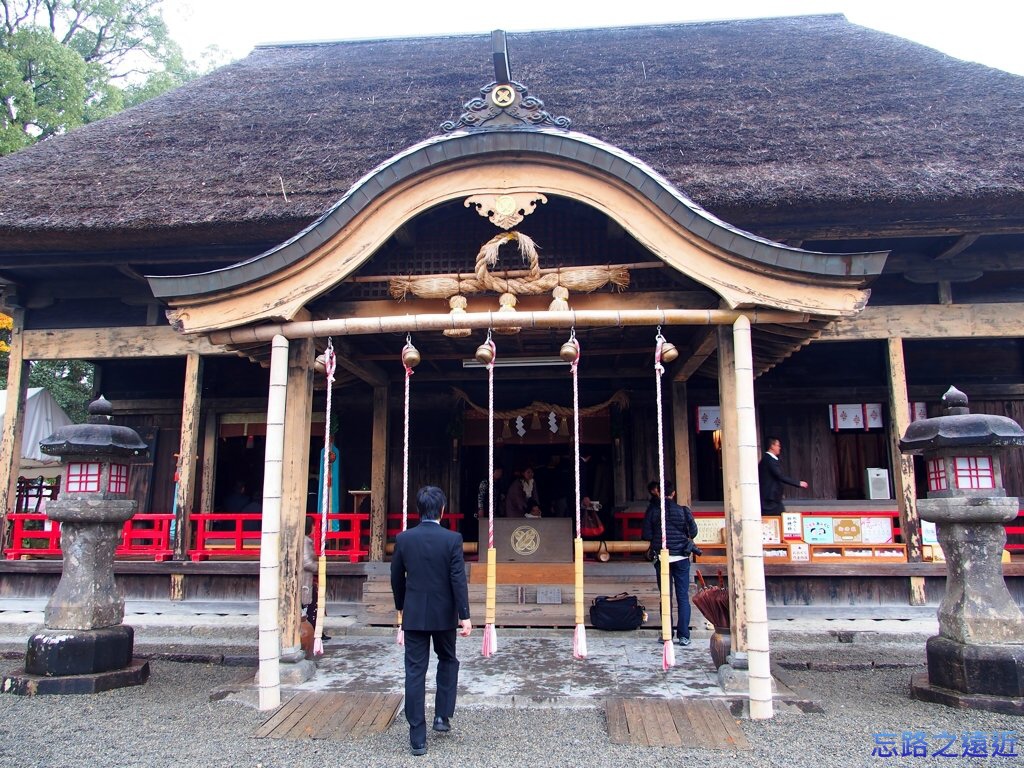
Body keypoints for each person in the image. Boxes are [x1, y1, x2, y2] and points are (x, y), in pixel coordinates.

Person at [390, 486, 472, 757]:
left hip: (414, 613)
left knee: (415, 671)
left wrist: (401, 607)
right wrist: (464, 615)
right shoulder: (452, 539)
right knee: (447, 659)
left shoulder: (404, 539)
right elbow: (457, 579)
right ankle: (441, 715)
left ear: (418, 509)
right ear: (442, 510)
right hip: (444, 613)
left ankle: (417, 738)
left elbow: (396, 577)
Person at [641, 480, 698, 646]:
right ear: (673, 493)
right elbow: (693, 532)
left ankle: (667, 633)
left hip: (662, 557)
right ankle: (684, 635)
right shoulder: (683, 511)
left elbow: (646, 535)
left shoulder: (654, 512)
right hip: (681, 557)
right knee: (683, 596)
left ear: (658, 492)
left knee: (665, 596)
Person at [758, 437, 808, 515]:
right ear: (772, 446)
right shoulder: (769, 460)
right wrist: (798, 483)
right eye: (778, 446)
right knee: (776, 517)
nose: (779, 448)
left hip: (773, 498)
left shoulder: (770, 459)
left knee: (780, 515)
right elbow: (780, 476)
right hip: (770, 498)